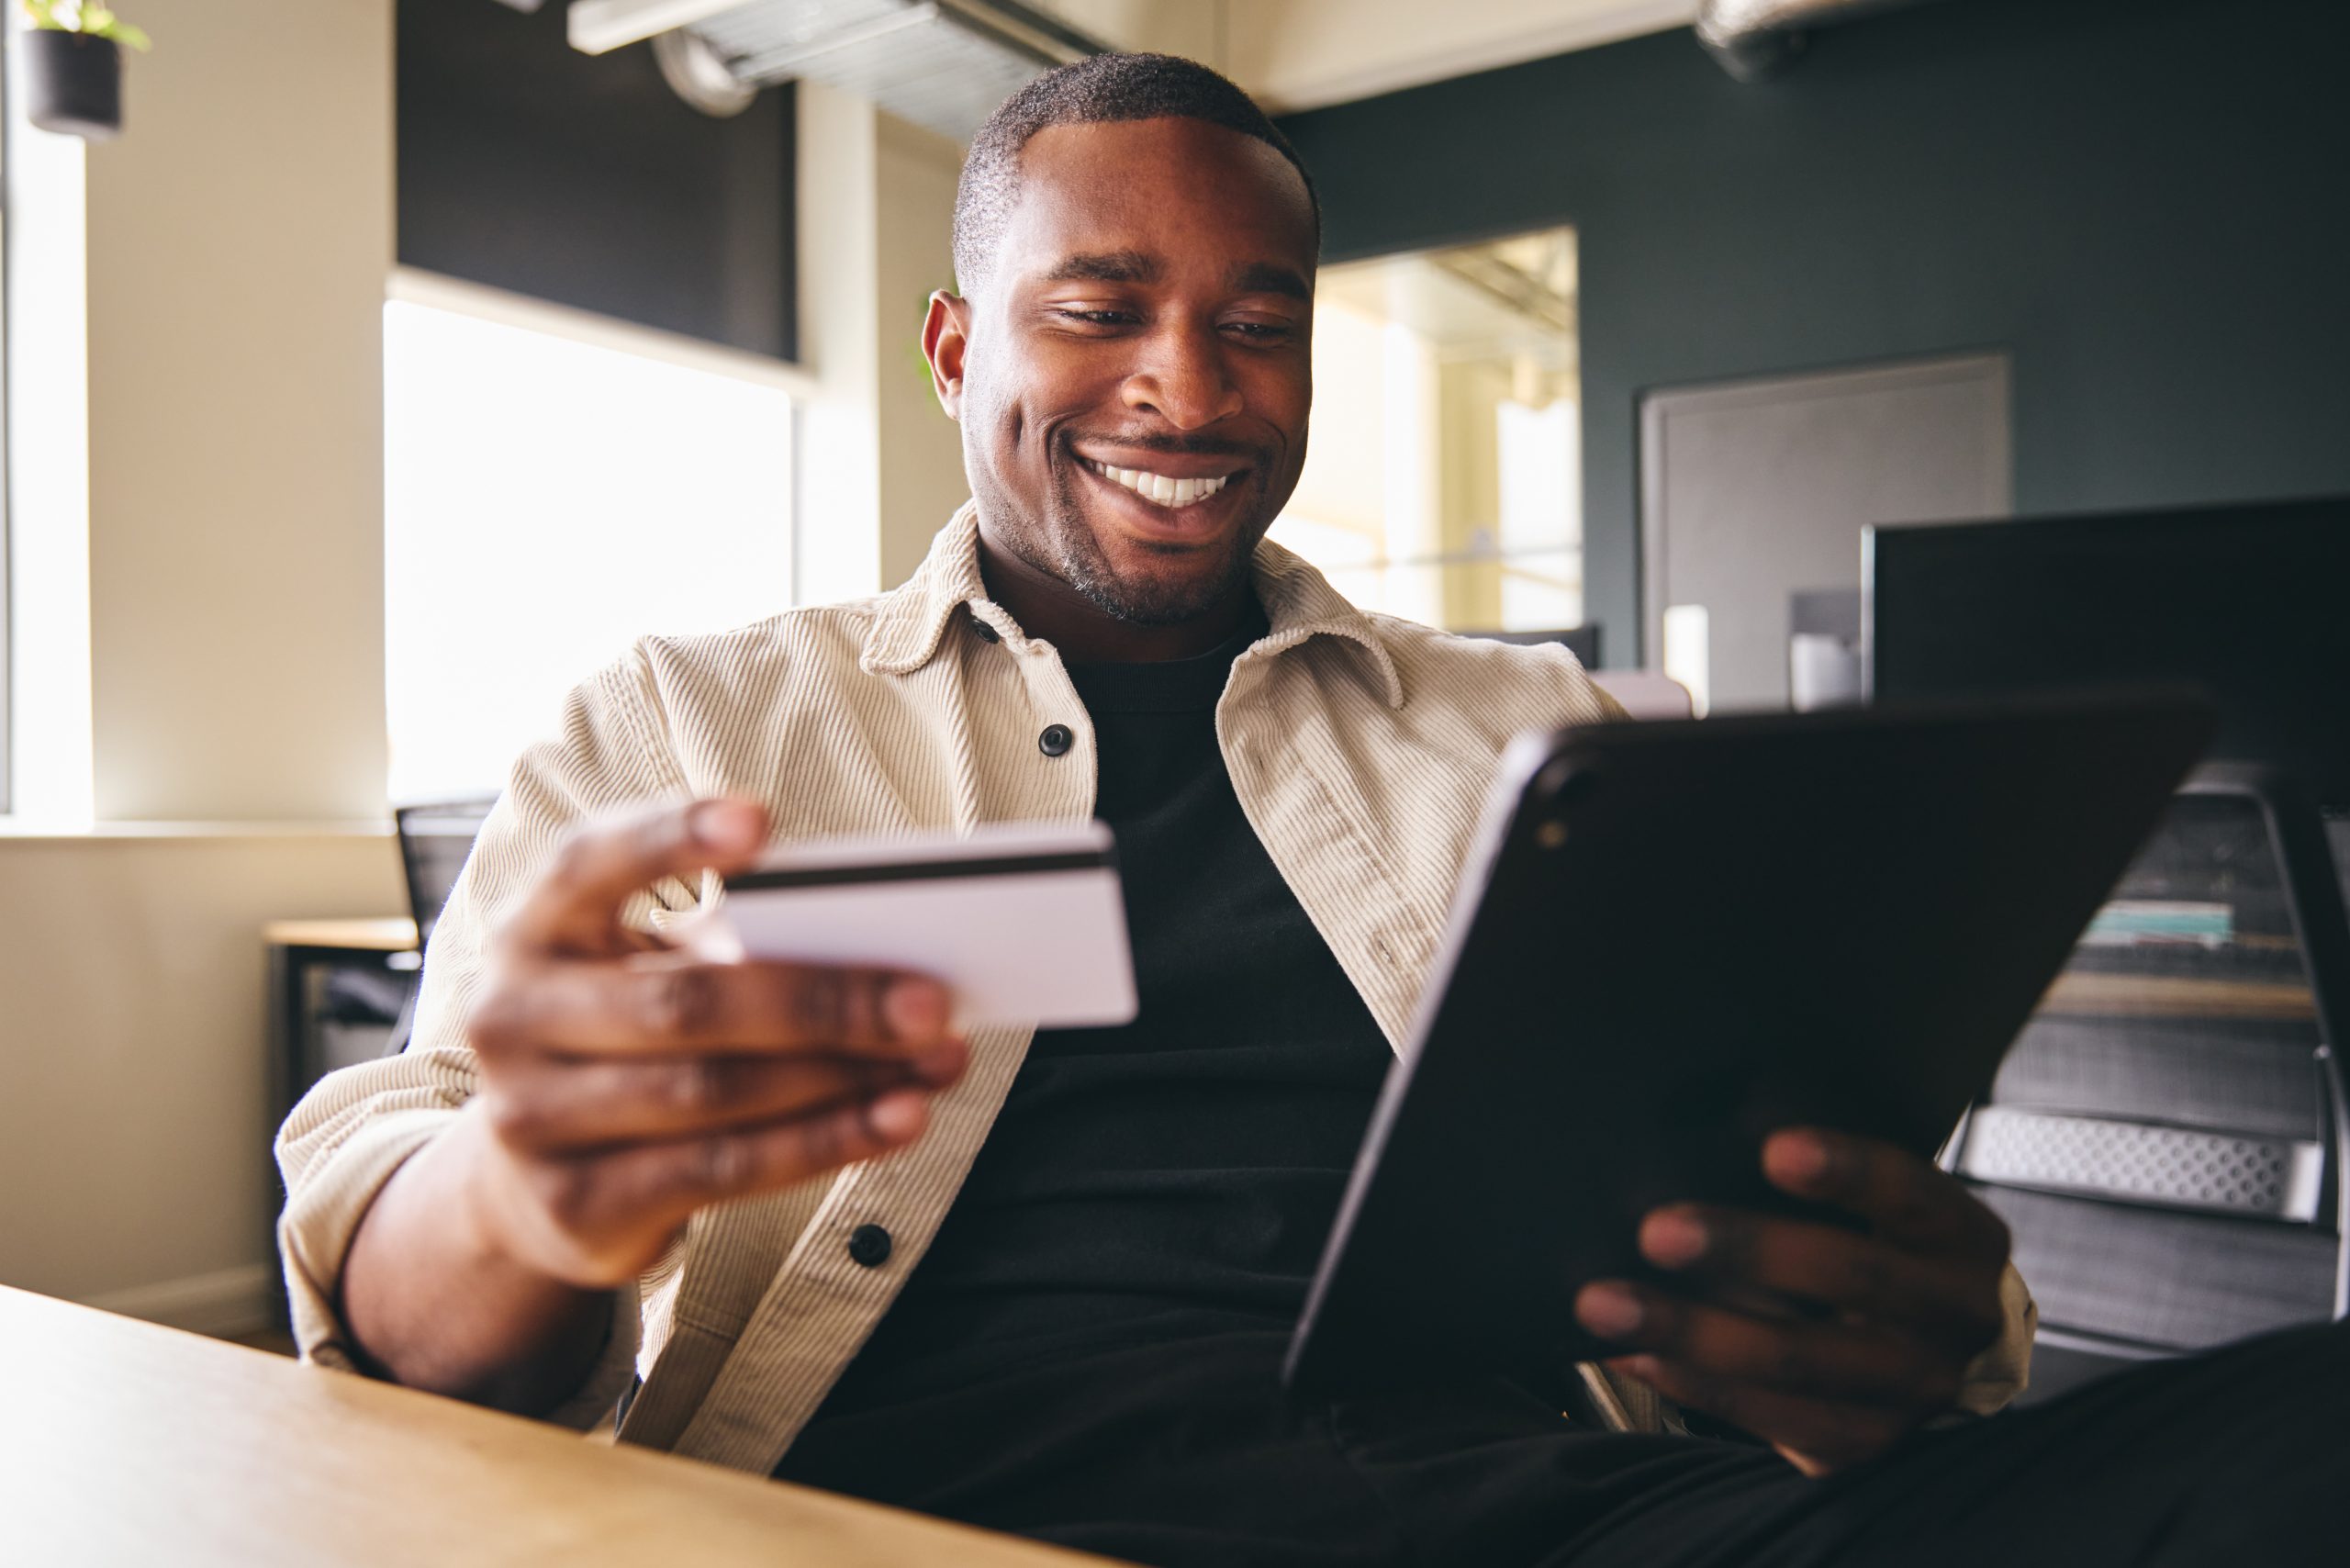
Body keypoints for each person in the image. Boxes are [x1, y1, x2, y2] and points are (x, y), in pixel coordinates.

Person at [279, 52, 2340, 1567]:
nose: (1193, 384)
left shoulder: (1539, 732)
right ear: (949, 343)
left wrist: (1915, 1317)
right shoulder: (693, 715)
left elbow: (1866, 1260)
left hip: (1591, 1507)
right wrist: (534, 1198)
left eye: (1257, 323)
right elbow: (391, 1249)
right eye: (1099, 307)